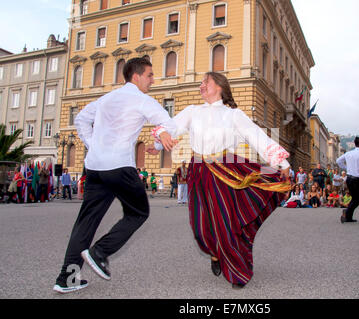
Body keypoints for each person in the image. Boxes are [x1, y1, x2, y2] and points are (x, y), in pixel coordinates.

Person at [148, 72, 291, 289]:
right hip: (198, 171)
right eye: (202, 82)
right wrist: (160, 141)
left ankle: (237, 271)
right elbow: (170, 126)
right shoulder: (192, 111)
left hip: (226, 170)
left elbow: (255, 136)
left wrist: (281, 162)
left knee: (226, 222)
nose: (202, 85)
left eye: (207, 81)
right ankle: (215, 253)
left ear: (220, 86)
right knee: (200, 225)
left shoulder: (233, 115)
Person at [53, 57, 177, 294]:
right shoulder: (142, 100)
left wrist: (94, 144)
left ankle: (66, 280)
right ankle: (100, 252)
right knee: (138, 212)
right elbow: (165, 123)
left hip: (95, 167)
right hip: (119, 166)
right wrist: (160, 142)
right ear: (136, 76)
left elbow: (80, 120)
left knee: (85, 222)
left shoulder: (107, 98)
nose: (153, 80)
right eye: (150, 75)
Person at [336, 137, 359, 223]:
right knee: (357, 199)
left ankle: (348, 217)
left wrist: (346, 168)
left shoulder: (348, 153)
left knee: (354, 198)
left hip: (349, 178)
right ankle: (346, 213)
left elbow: (338, 161)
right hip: (357, 179)